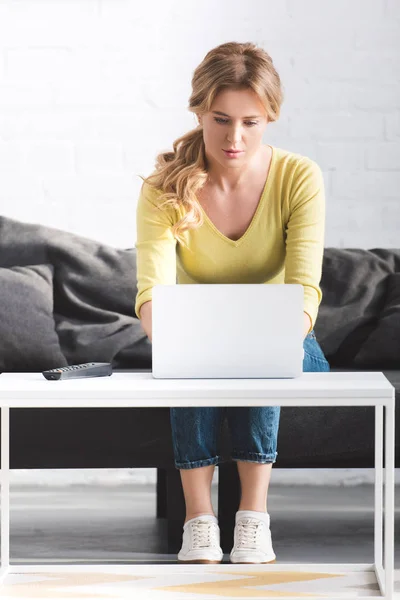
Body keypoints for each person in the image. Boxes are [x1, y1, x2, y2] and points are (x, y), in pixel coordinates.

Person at [134, 41, 330, 565]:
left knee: (261, 362)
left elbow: (306, 289)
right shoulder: (164, 187)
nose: (234, 137)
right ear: (199, 109)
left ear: (270, 118)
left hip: (288, 341)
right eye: (221, 119)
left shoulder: (299, 178)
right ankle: (199, 521)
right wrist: (174, 343)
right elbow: (151, 290)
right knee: (193, 366)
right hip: (196, 345)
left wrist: (275, 339)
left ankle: (252, 518)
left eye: (251, 122)